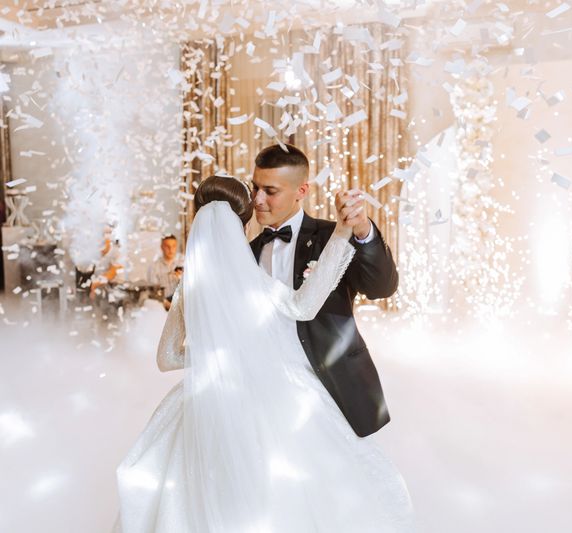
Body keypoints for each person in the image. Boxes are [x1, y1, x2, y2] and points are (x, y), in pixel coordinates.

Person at [112, 175, 414, 532]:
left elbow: (168, 359)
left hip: (203, 399)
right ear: (242, 224)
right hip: (273, 395)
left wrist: (215, 352)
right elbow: (303, 307)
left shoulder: (187, 288)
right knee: (287, 491)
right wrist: (342, 234)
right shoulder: (252, 282)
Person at [249, 144, 399, 438]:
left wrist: (361, 229)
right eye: (255, 187)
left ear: (301, 191)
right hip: (266, 394)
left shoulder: (334, 236)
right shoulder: (246, 253)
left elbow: (382, 288)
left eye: (270, 190)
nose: (257, 200)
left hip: (333, 387)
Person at [146, 234, 183, 310]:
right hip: (162, 306)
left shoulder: (184, 262)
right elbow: (153, 292)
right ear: (161, 247)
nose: (171, 249)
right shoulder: (153, 267)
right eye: (167, 246)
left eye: (173, 246)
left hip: (182, 303)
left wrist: (182, 278)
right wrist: (166, 304)